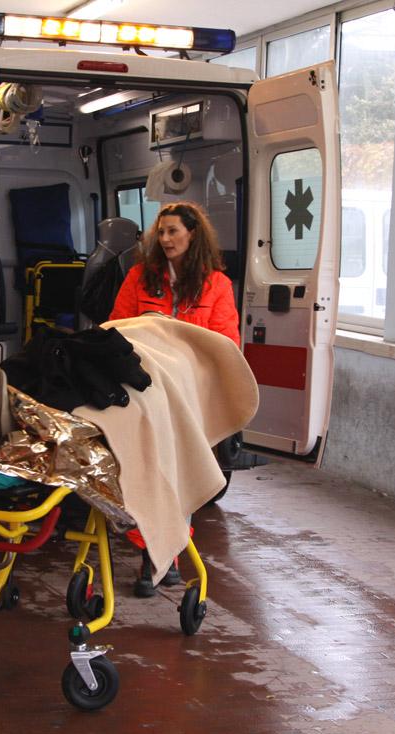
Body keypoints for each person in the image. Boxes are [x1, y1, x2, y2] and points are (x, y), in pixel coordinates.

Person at [108, 200, 240, 597]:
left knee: (181, 479)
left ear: (192, 234)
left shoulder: (217, 285)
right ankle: (153, 554)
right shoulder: (138, 278)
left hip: (189, 399)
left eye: (173, 232)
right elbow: (115, 330)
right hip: (145, 395)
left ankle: (161, 558)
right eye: (160, 232)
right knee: (144, 474)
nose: (164, 239)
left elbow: (224, 344)